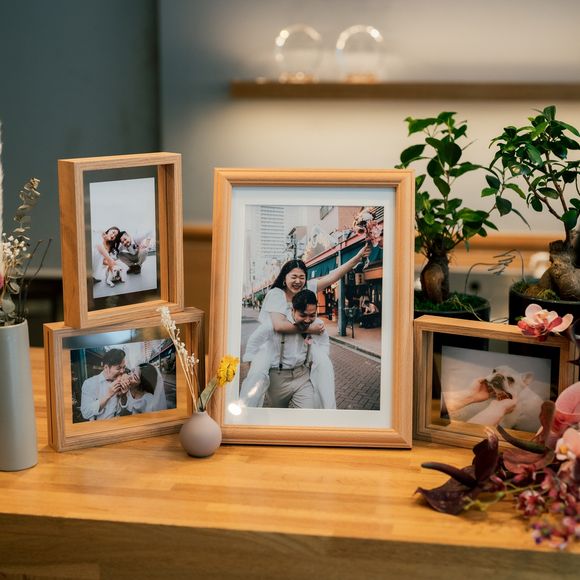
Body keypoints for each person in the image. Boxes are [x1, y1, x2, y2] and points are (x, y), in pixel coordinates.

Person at [240, 289, 335, 409]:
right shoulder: (275, 323)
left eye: (312, 315)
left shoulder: (317, 324)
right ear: (292, 310)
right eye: (303, 315)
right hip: (278, 379)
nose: (307, 320)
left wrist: (319, 359)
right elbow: (254, 341)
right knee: (279, 414)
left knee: (308, 414)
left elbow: (324, 342)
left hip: (302, 376)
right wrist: (252, 365)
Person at [80, 349, 130, 421]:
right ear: (106, 368)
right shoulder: (89, 383)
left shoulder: (123, 381)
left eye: (124, 367)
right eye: (118, 368)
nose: (122, 371)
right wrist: (108, 395)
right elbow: (85, 413)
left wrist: (124, 395)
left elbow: (125, 411)